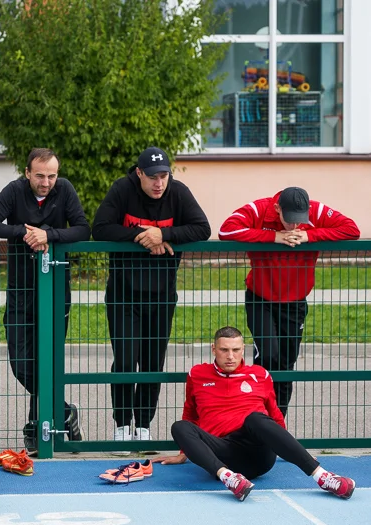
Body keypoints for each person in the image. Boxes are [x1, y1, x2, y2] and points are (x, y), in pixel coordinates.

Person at [0, 148, 92, 455]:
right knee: (20, 363)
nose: (46, 182)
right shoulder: (15, 191)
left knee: (47, 360)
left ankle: (35, 428)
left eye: (51, 175)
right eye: (40, 175)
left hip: (55, 288)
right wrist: (23, 232)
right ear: (28, 173)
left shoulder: (64, 189)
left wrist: (49, 235)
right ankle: (65, 410)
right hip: (20, 290)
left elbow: (83, 228)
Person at [92, 146, 210, 445]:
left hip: (161, 295)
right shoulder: (122, 189)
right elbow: (100, 228)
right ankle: (122, 425)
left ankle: (143, 424)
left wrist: (164, 235)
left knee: (152, 362)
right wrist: (141, 235)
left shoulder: (178, 193)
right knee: (125, 359)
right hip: (123, 294)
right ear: (139, 173)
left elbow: (202, 228)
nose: (159, 183)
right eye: (153, 177)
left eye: (164, 176)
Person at [156, 326, 355, 501]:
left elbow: (275, 417)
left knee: (255, 418)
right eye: (224, 350)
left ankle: (323, 477)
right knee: (179, 426)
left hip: (258, 453)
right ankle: (230, 479)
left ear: (243, 349)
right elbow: (190, 413)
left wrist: (293, 450)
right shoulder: (197, 374)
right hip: (221, 454)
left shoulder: (260, 375)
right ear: (213, 349)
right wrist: (184, 453)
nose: (230, 356)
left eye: (235, 350)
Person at [218, 187, 359, 417]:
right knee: (270, 355)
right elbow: (226, 231)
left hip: (295, 302)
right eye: (289, 220)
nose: (294, 226)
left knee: (286, 364)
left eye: (299, 221)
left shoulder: (316, 210)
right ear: (277, 209)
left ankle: (277, 422)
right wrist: (273, 237)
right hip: (261, 298)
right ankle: (257, 414)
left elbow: (351, 229)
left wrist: (310, 235)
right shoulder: (259, 208)